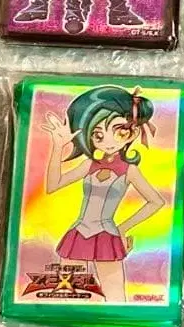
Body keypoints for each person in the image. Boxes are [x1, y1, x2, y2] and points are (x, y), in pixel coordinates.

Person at [42, 85, 164, 302]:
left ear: (132, 133)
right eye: (97, 134)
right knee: (68, 296)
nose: (108, 141)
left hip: (107, 236)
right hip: (78, 233)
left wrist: (123, 228)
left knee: (115, 296)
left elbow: (156, 201)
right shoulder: (89, 165)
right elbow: (53, 185)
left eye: (119, 131)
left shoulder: (128, 170)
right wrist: (58, 147)